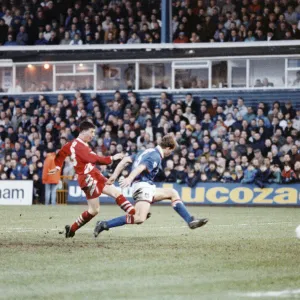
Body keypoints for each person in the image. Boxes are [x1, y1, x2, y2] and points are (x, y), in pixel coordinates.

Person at [94, 135, 208, 238]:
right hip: (143, 187)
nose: (170, 154)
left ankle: (190, 220)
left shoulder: (146, 151)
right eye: (171, 151)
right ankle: (104, 224)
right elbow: (141, 168)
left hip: (146, 186)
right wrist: (129, 178)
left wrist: (114, 175)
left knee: (172, 193)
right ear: (168, 148)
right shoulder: (155, 156)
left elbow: (125, 160)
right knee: (139, 218)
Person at [48, 121, 135, 238]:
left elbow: (62, 153)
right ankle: (72, 229)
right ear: (83, 132)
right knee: (94, 210)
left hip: (94, 173)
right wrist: (112, 157)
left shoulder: (75, 144)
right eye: (91, 132)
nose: (93, 135)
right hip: (87, 178)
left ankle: (134, 213)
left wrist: (58, 166)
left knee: (116, 192)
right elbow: (95, 158)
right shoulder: (79, 146)